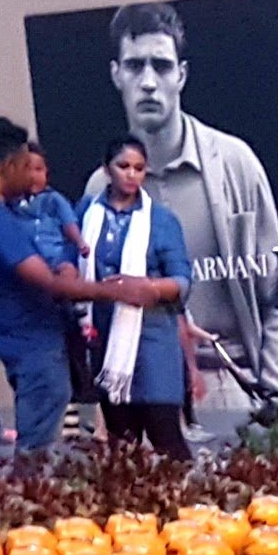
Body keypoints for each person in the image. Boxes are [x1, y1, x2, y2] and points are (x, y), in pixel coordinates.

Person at [100, 1, 278, 414]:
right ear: (116, 75)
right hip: (141, 389)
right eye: (134, 66)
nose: (148, 82)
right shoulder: (100, 189)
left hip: (229, 379)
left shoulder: (235, 164)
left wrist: (269, 387)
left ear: (181, 75)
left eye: (161, 66)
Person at [0, 114, 173, 456]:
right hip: (32, 346)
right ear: (8, 166)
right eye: (26, 167)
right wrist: (116, 290)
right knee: (35, 451)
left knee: (46, 441)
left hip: (41, 341)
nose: (32, 177)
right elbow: (49, 284)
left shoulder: (7, 213)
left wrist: (66, 265)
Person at [81, 135, 192, 458]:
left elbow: (183, 281)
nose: (132, 174)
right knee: (122, 447)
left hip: (153, 343)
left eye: (139, 168)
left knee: (166, 439)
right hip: (107, 344)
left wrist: (149, 288)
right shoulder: (86, 213)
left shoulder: (161, 220)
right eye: (124, 166)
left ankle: (194, 493)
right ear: (107, 169)